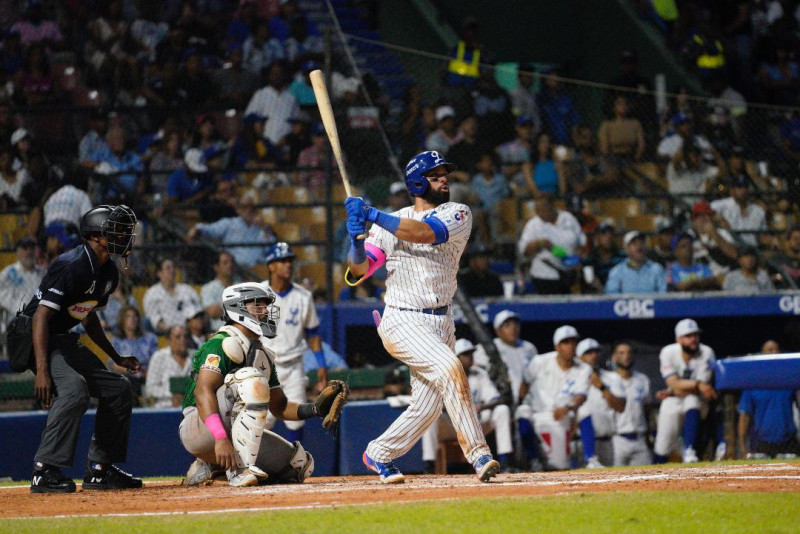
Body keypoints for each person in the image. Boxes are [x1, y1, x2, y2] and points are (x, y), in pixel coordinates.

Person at [344, 150, 501, 483]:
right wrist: (356, 238)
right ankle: (479, 455)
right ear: (416, 182)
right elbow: (359, 270)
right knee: (450, 368)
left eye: (445, 173)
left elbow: (423, 233)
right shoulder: (389, 222)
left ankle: (379, 453)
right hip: (403, 319)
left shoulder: (458, 213)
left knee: (427, 408)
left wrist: (371, 214)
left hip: (441, 321)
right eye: (435, 175)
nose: (444, 179)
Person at [21, 204, 142, 492]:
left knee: (118, 387)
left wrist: (116, 357)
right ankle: (44, 470)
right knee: (74, 389)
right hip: (33, 336)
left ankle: (100, 470)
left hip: (61, 339)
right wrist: (42, 371)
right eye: (117, 229)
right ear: (97, 236)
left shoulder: (108, 272)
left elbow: (88, 317)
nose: (125, 235)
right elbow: (41, 316)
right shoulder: (71, 263)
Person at [178, 283, 320, 487]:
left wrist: (315, 409)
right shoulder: (221, 342)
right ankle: (238, 469)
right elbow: (202, 391)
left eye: (265, 306)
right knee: (251, 380)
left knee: (299, 464)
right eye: (258, 306)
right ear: (237, 308)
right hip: (199, 427)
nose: (265, 311)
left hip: (228, 429)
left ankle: (214, 466)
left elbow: (278, 407)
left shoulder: (261, 353)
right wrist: (219, 437)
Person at [260, 242, 327, 444]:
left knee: (296, 420)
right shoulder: (258, 294)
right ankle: (253, 464)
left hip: (294, 365)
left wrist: (322, 367)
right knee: (260, 420)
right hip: (265, 366)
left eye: (290, 261)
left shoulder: (303, 296)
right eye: (282, 261)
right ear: (271, 265)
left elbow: (313, 335)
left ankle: (294, 464)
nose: (288, 265)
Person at [422, 339, 514, 472]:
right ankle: (429, 465)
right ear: (456, 358)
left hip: (475, 424)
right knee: (430, 415)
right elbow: (434, 403)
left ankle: (506, 462)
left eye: (471, 353)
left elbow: (496, 399)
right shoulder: (444, 375)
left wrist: (481, 407)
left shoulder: (479, 374)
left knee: (502, 410)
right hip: (451, 426)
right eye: (465, 354)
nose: (470, 357)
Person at [516, 325, 591, 470]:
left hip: (563, 417)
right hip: (538, 416)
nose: (570, 346)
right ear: (557, 346)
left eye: (573, 342)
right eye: (566, 342)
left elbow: (581, 396)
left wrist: (568, 407)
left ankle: (590, 459)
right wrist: (520, 401)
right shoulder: (540, 361)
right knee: (522, 410)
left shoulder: (584, 368)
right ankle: (532, 459)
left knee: (559, 467)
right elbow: (524, 383)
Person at [653, 319, 717, 463]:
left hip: (695, 400)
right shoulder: (668, 352)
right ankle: (653, 475)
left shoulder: (706, 352)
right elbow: (673, 383)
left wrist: (676, 390)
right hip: (672, 399)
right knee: (662, 446)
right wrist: (697, 384)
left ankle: (690, 451)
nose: (693, 339)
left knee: (692, 401)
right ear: (678, 339)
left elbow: (703, 390)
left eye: (695, 335)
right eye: (688, 336)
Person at [738, 340, 800, 459]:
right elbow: (744, 416)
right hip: (762, 443)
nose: (774, 353)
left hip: (789, 441)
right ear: (763, 355)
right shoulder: (752, 384)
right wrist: (742, 447)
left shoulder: (789, 380)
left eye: (776, 349)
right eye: (770, 350)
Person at [185, 191, 275, 268]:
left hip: (256, 271)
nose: (248, 210)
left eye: (251, 207)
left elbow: (270, 249)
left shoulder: (261, 228)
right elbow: (210, 230)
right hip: (235, 270)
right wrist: (197, 229)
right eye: (244, 207)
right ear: (238, 210)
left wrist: (264, 227)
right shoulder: (229, 223)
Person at [518, 193, 585, 295]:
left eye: (543, 209)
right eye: (537, 209)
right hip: (545, 276)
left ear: (552, 206)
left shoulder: (568, 219)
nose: (540, 213)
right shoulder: (533, 225)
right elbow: (524, 251)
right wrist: (539, 243)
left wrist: (578, 259)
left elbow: (581, 242)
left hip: (570, 273)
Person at [576, 338, 625, 468]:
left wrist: (602, 387)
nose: (593, 356)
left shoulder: (612, 378)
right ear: (579, 357)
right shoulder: (571, 379)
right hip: (580, 442)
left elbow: (620, 407)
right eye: (588, 353)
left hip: (607, 441)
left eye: (596, 352)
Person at [473, 309, 538, 408]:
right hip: (501, 400)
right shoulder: (488, 347)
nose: (513, 329)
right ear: (498, 330)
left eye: (515, 324)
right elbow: (477, 372)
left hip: (528, 399)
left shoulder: (529, 348)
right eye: (507, 325)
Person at [609, 341, 653, 466]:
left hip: (639, 438)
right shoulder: (608, 380)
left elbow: (647, 409)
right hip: (616, 439)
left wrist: (650, 435)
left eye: (629, 352)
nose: (626, 356)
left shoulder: (642, 379)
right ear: (614, 357)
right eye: (621, 353)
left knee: (647, 480)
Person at [109, 305, 157, 405]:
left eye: (135, 316)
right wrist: (131, 371)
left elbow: (156, 360)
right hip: (128, 376)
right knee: (127, 383)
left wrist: (148, 373)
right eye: (128, 316)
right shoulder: (117, 341)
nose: (132, 319)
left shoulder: (150, 338)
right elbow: (113, 364)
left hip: (148, 375)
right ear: (122, 320)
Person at [142, 258, 201, 335]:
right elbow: (154, 320)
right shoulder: (152, 293)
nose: (172, 270)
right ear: (159, 273)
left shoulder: (187, 289)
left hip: (191, 331)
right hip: (167, 333)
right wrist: (173, 330)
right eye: (168, 268)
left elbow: (198, 310)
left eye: (173, 267)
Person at [710, 175, 768, 247]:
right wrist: (716, 217)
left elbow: (762, 236)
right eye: (739, 187)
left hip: (752, 249)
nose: (743, 190)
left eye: (745, 187)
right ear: (732, 190)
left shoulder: (758, 211)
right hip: (730, 247)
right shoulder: (721, 205)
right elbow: (705, 210)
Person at [145, 325, 192, 408]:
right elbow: (150, 389)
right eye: (178, 337)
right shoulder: (159, 357)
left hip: (192, 407)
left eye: (185, 336)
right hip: (164, 407)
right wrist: (173, 394)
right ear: (168, 341)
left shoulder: (195, 357)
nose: (183, 340)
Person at [0, 237, 45, 319]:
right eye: (24, 248)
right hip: (15, 321)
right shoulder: (9, 273)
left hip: (39, 319)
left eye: (31, 249)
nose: (28, 252)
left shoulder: (43, 273)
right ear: (17, 252)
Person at [201, 251, 236, 332]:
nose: (230, 265)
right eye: (225, 263)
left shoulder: (241, 286)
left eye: (231, 262)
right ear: (216, 267)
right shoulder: (208, 288)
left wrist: (222, 307)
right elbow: (212, 312)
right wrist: (237, 304)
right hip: (218, 331)